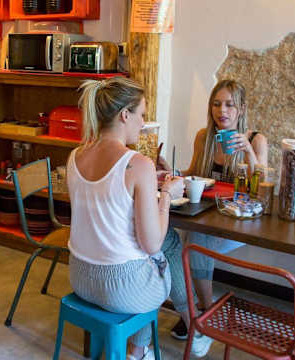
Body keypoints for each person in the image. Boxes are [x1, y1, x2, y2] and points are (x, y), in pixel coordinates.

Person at [67, 77, 213, 360]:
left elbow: (104, 211)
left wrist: (146, 184)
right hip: (119, 289)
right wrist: (166, 194)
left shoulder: (75, 156)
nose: (143, 123)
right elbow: (151, 244)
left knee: (153, 255)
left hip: (80, 277)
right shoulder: (138, 164)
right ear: (125, 115)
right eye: (142, 115)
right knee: (165, 248)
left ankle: (149, 345)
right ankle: (143, 348)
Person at [161, 79, 268, 340]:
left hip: (239, 219)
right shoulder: (204, 137)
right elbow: (193, 173)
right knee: (174, 238)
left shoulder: (256, 140)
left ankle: (204, 313)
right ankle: (194, 310)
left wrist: (248, 153)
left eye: (230, 105)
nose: (222, 111)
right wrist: (170, 171)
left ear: (241, 109)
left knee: (195, 243)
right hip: (207, 215)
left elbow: (262, 188)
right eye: (217, 104)